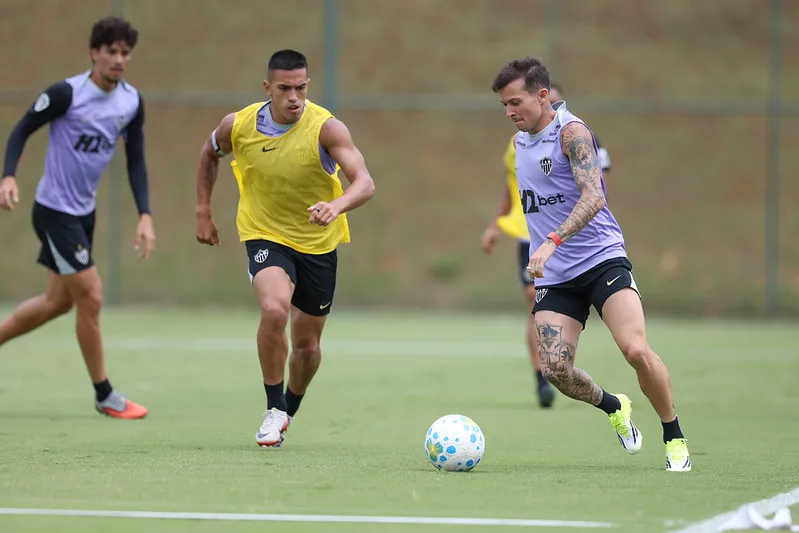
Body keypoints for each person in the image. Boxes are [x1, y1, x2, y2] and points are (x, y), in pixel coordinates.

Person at [490, 57, 690, 472]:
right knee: (555, 370)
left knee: (635, 350)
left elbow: (595, 196)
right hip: (558, 276)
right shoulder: (519, 143)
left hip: (601, 260)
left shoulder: (572, 133)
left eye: (515, 102)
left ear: (542, 96)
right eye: (504, 106)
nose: (509, 112)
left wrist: (551, 241)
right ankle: (615, 406)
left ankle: (673, 435)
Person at [195, 49, 375, 448]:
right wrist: (203, 209)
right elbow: (210, 153)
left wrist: (337, 204)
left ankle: (290, 406)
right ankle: (273, 406)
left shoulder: (327, 128)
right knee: (274, 307)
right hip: (264, 233)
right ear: (267, 88)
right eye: (285, 89)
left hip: (317, 242)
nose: (295, 97)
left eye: (302, 88)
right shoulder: (238, 125)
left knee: (307, 345)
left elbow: (364, 182)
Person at [0, 17, 154, 419]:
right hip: (53, 212)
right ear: (94, 52)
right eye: (112, 51)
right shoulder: (67, 93)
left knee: (57, 303)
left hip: (84, 214)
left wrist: (145, 215)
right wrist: (8, 176)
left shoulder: (131, 102)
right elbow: (20, 130)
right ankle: (105, 394)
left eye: (125, 52)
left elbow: (135, 159)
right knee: (91, 296)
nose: (119, 59)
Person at [481, 83, 612, 409]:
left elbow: (596, 184)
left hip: (576, 239)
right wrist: (496, 224)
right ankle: (542, 375)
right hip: (531, 236)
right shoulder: (518, 143)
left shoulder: (574, 134)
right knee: (532, 301)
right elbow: (513, 185)